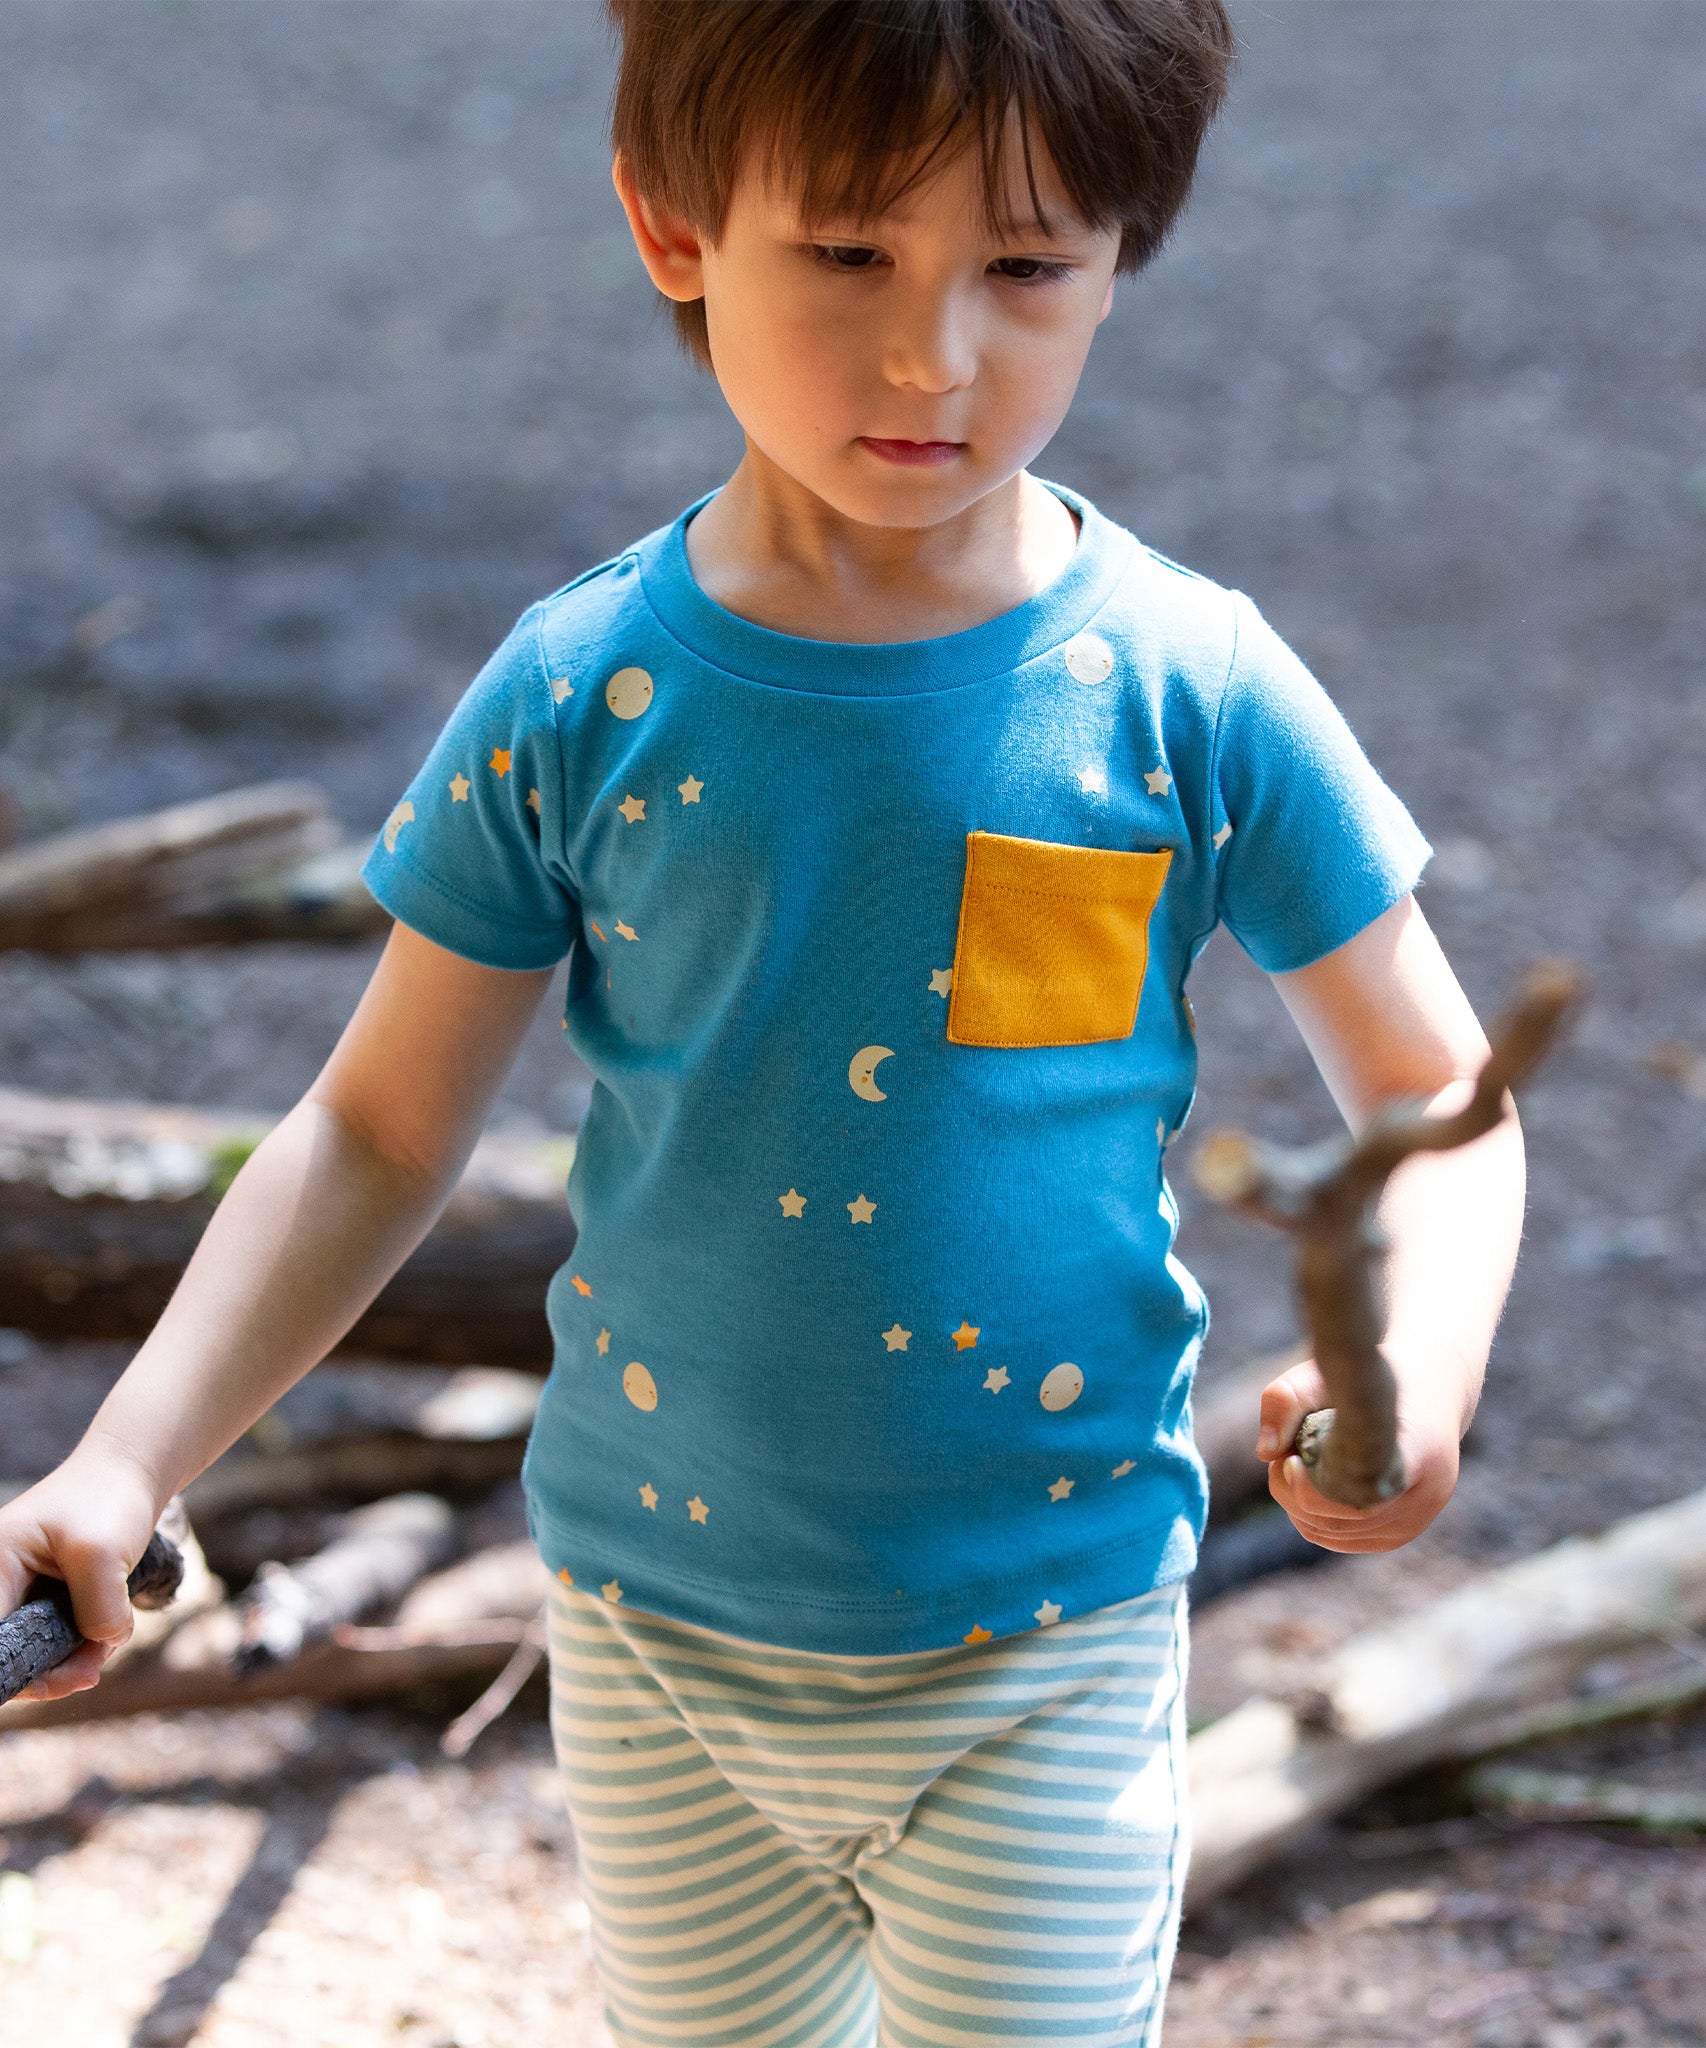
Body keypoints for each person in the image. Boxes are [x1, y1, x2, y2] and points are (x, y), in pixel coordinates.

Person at [0, 3, 1527, 2040]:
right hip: (653, 1632)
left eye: (1026, 267)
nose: (934, 356)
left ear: (1119, 255)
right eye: (847, 256)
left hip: (1050, 1630)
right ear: (672, 223)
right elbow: (375, 1129)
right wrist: (130, 1460)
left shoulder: (1189, 691)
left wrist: (1414, 1373)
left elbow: (1438, 1093)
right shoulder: (582, 693)